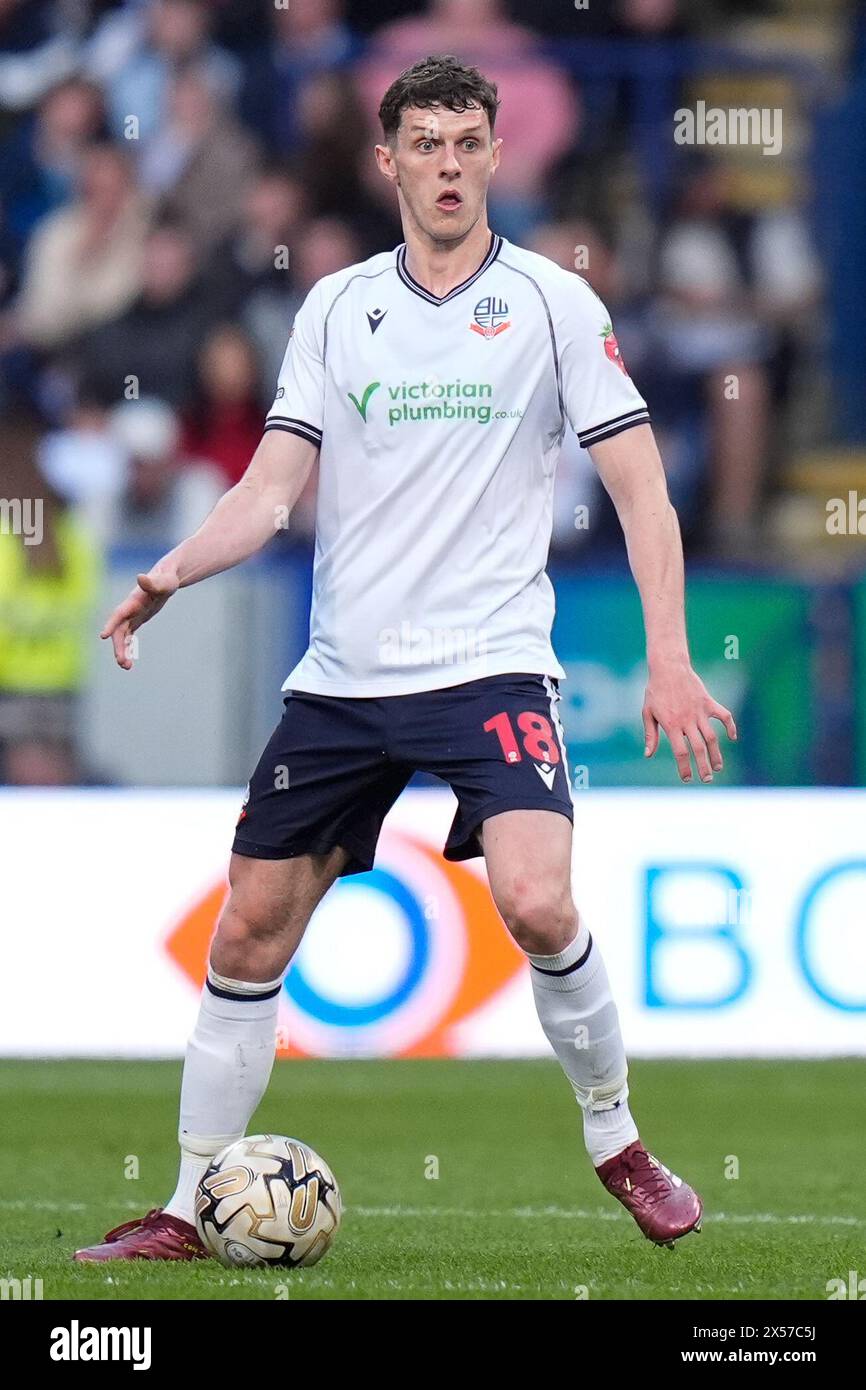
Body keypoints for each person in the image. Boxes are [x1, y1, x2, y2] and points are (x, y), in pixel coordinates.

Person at [75, 54, 736, 1263]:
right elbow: (273, 491)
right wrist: (172, 568)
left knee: (536, 898)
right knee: (245, 933)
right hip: (342, 678)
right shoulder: (334, 306)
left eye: (464, 141)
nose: (445, 163)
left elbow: (641, 492)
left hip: (489, 665)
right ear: (387, 160)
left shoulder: (552, 303)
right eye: (422, 143)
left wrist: (669, 656)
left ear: (493, 154)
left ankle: (616, 1138)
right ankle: (182, 1206)